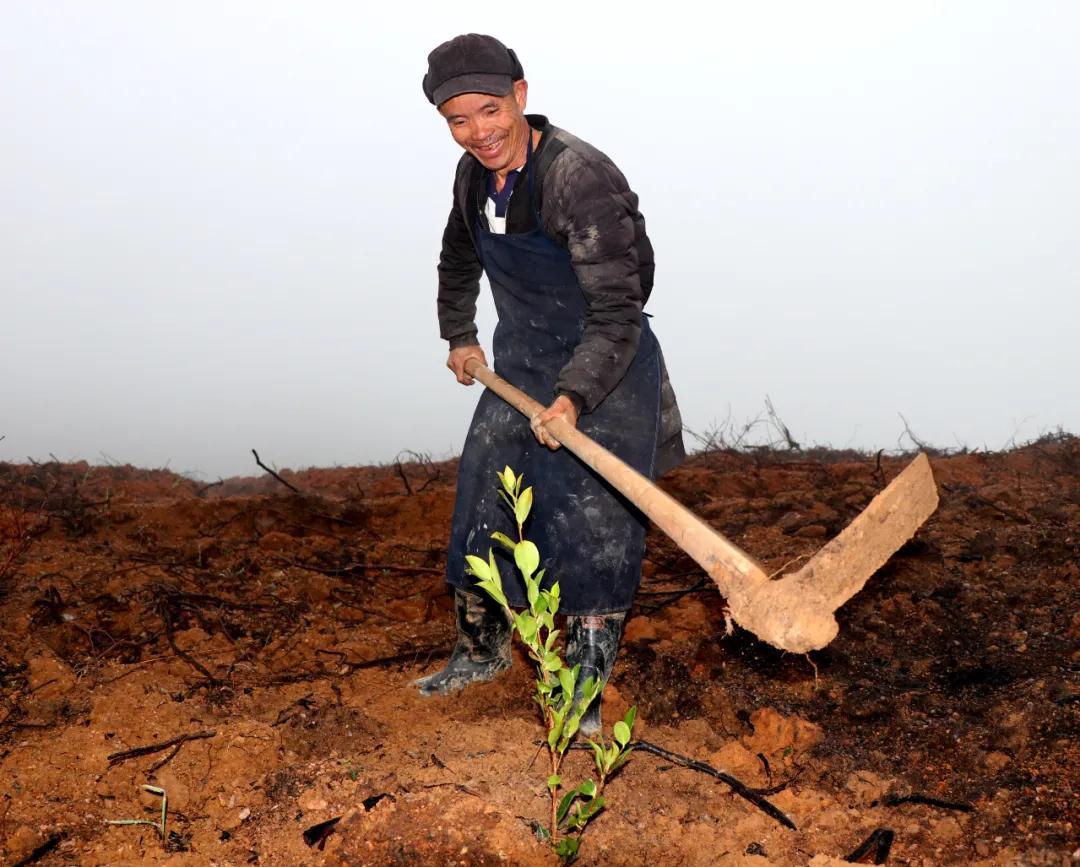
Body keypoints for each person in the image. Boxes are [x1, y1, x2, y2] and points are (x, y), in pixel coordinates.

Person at [415, 33, 685, 735]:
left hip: (608, 372)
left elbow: (619, 310)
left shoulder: (578, 179)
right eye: (458, 119)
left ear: (521, 98)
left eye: (489, 110)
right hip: (522, 367)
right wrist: (460, 333)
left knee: (591, 532)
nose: (478, 131)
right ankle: (480, 654)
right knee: (483, 496)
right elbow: (456, 252)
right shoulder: (473, 175)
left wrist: (574, 397)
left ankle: (583, 700)